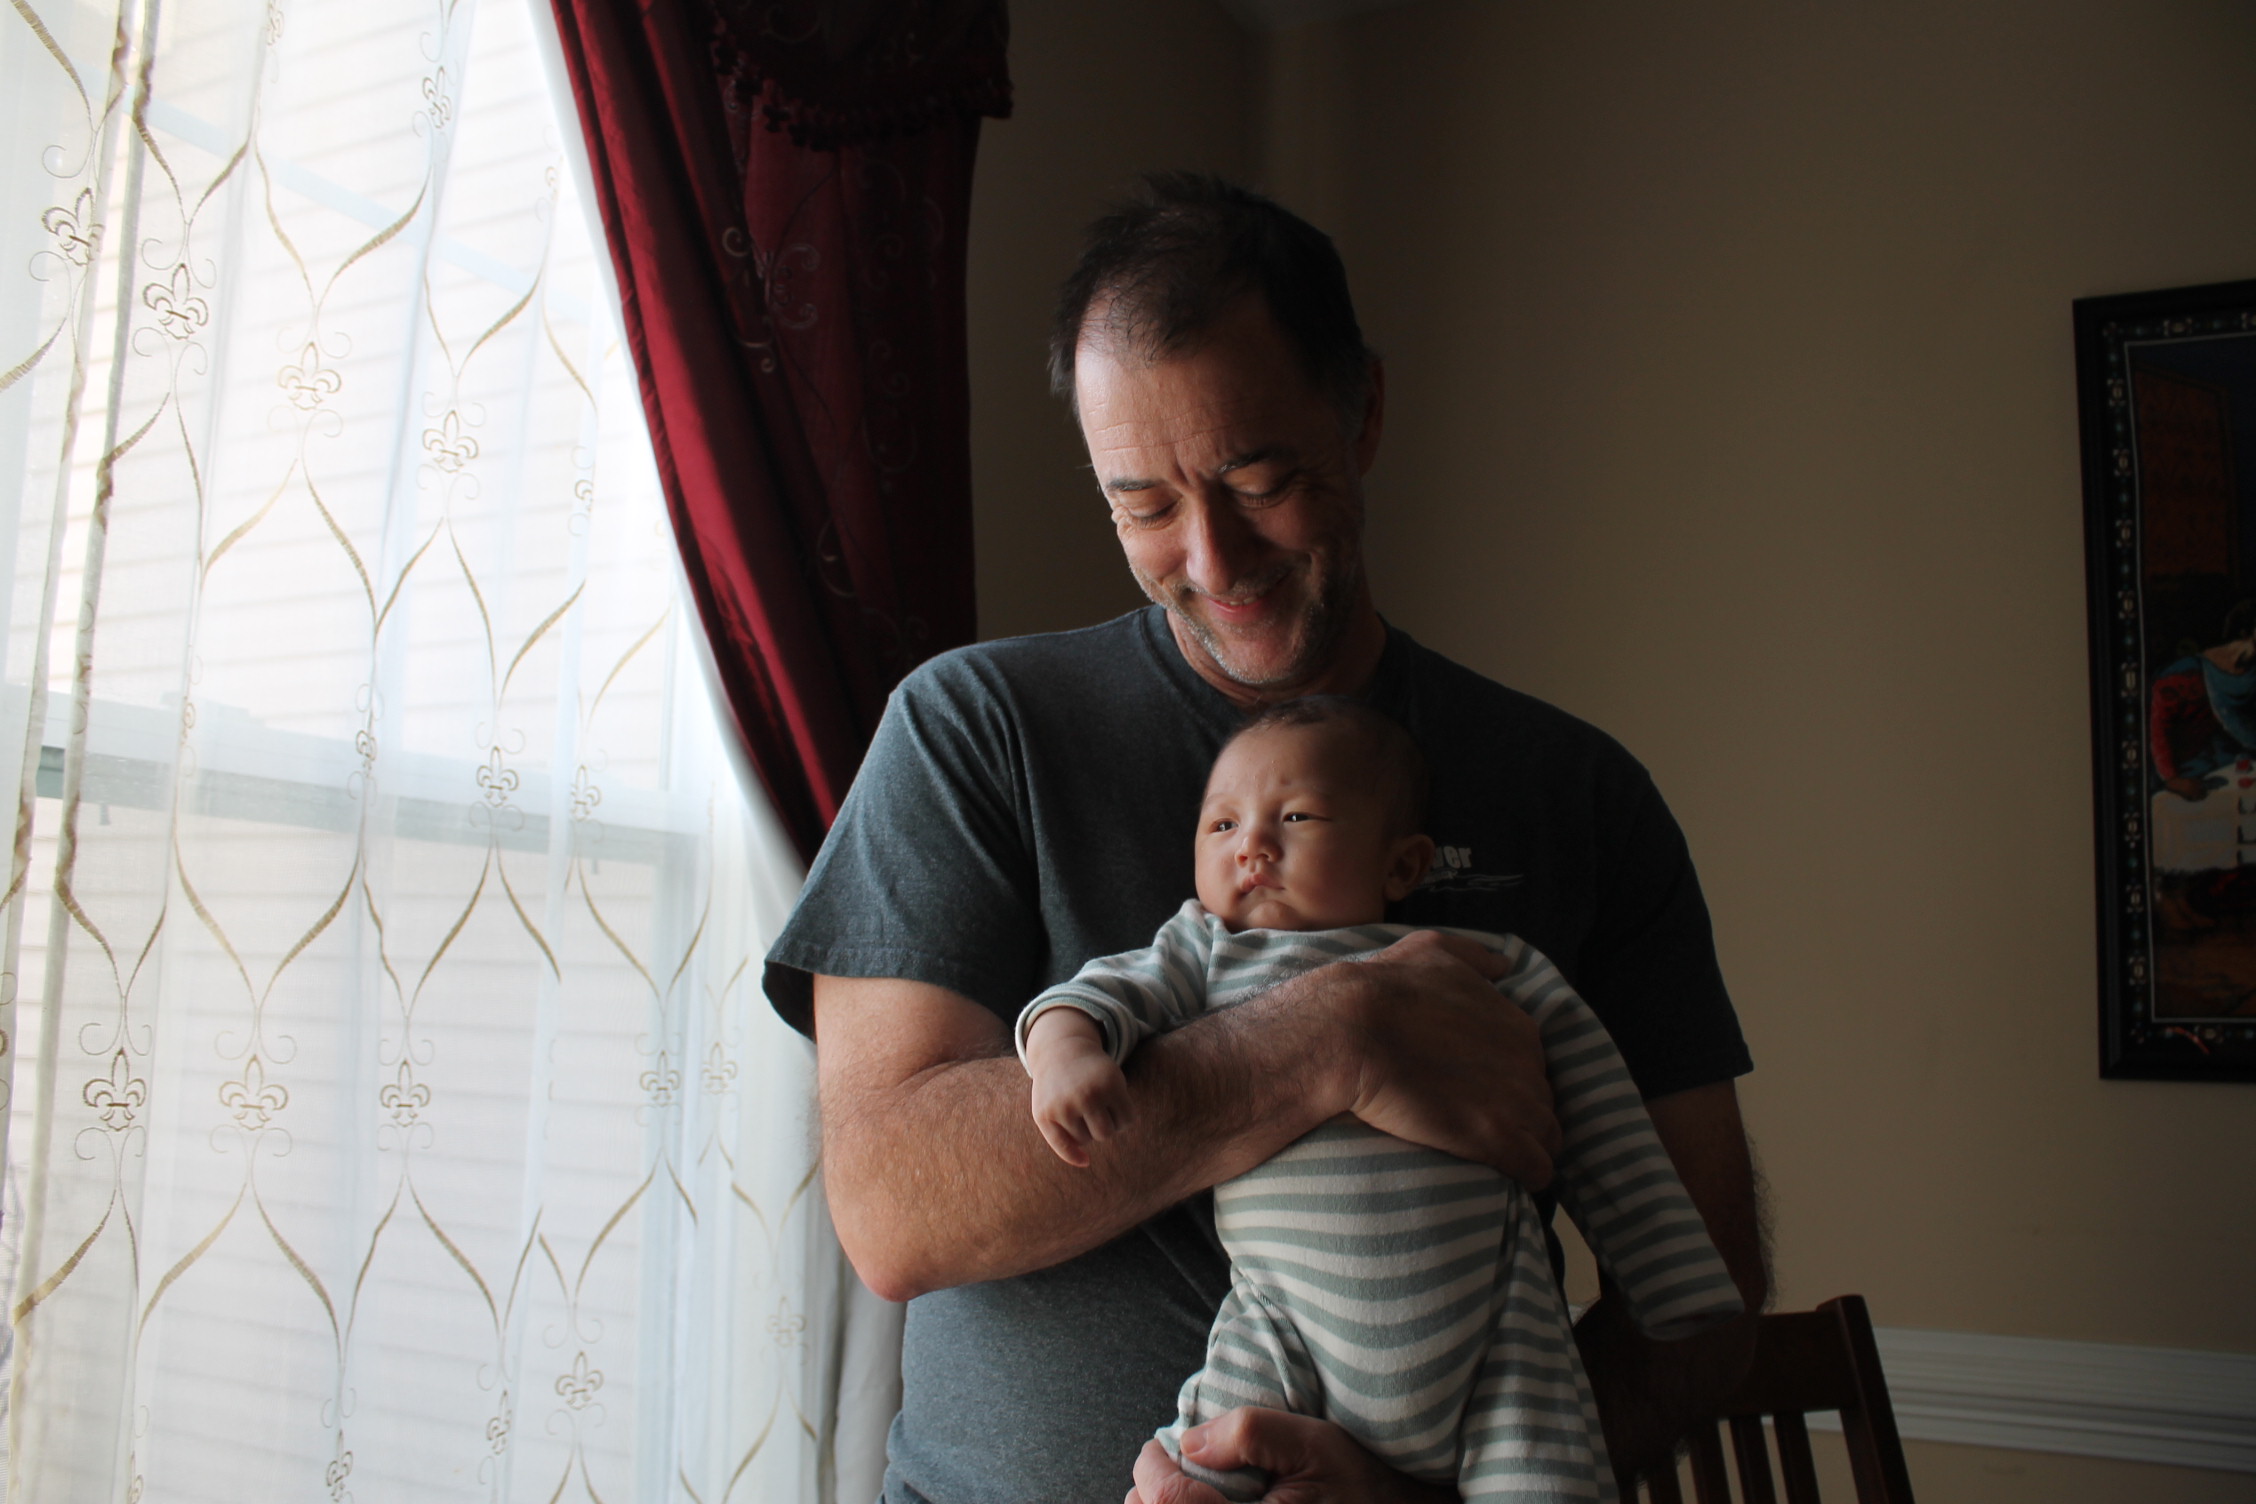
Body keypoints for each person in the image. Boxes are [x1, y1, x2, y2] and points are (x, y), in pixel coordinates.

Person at [764, 173, 1767, 1504]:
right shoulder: (976, 729)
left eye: (1261, 479)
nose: (1214, 558)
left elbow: (1702, 1289)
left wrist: (1430, 1501)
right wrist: (1329, 1037)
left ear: (1365, 413)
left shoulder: (1577, 793)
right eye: (1144, 506)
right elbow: (893, 1206)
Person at [1019, 697, 1744, 1503]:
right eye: (1221, 825)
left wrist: (1669, 1274)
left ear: (1403, 866)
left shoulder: (1483, 966)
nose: (1252, 843)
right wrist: (1065, 1052)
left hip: (1498, 1332)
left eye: (1296, 816)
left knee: (1551, 1479)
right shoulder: (1208, 950)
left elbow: (1602, 1113)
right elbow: (1099, 992)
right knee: (1202, 1469)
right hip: (1284, 1329)